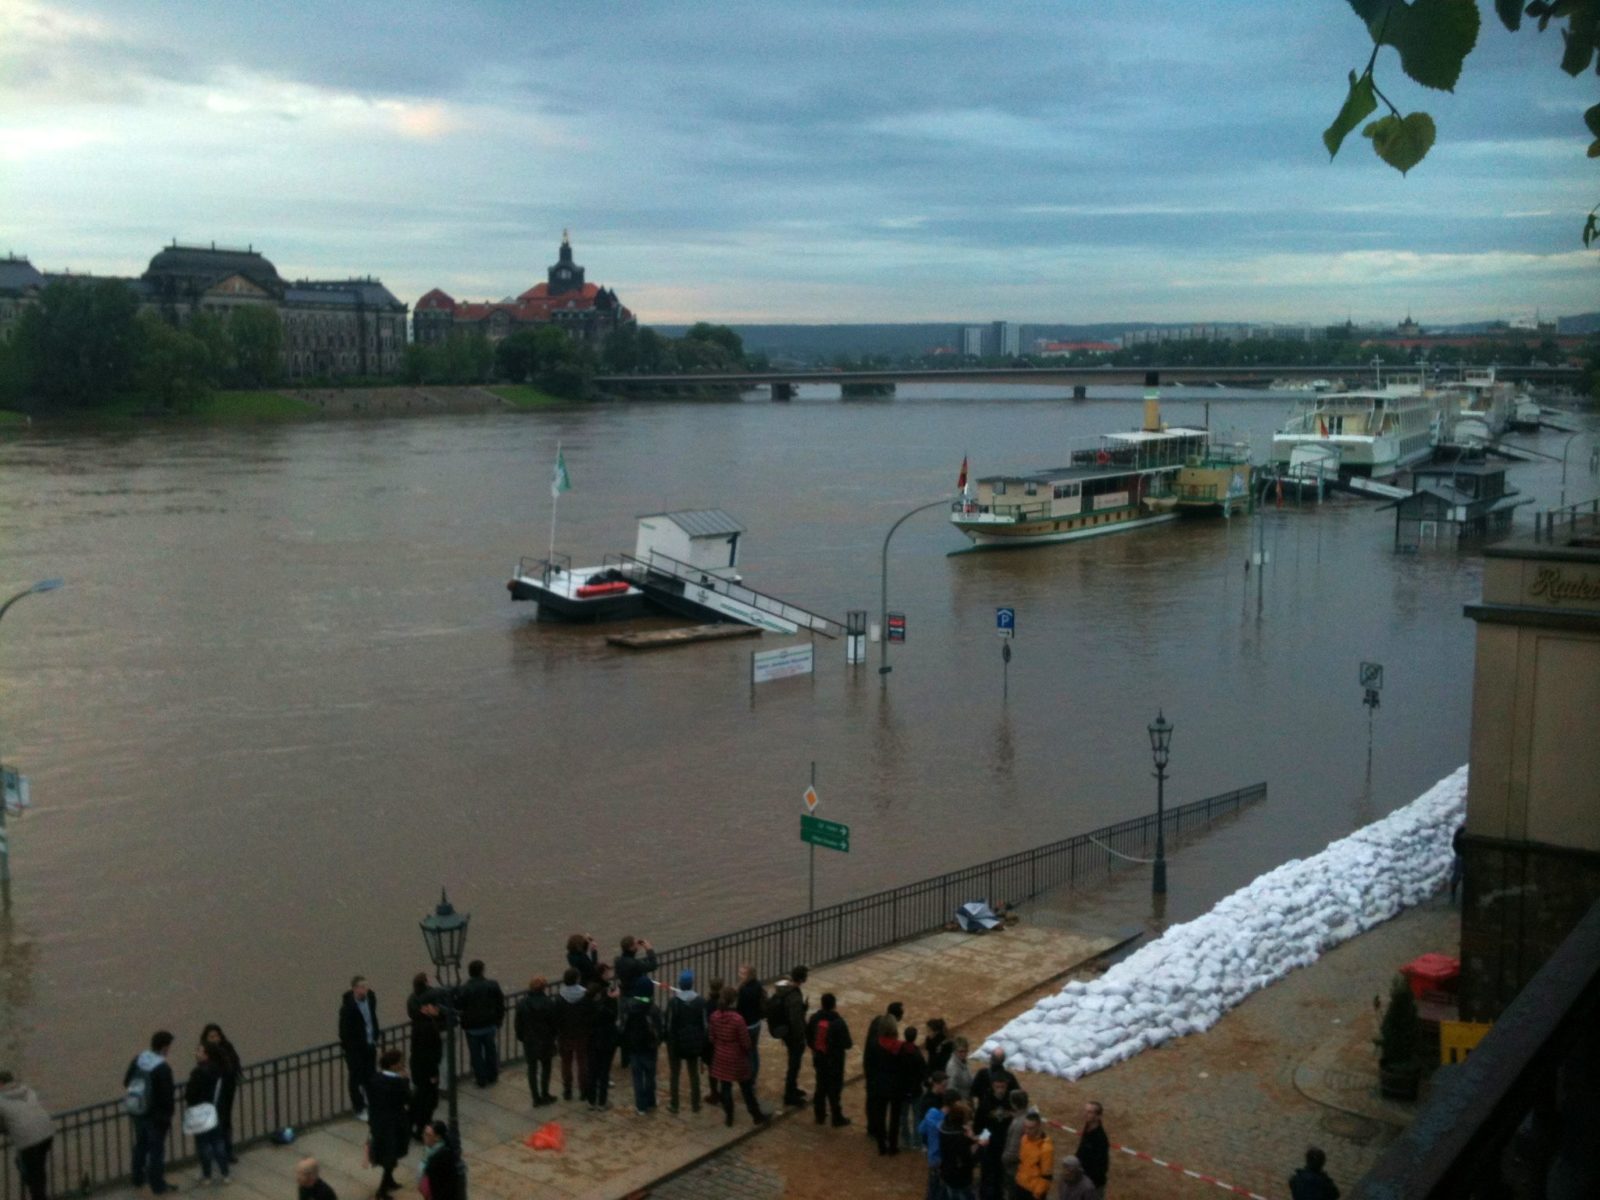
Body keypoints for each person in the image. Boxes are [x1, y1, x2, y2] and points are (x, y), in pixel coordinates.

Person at [124, 1030, 177, 1196]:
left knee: (140, 1146)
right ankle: (158, 1186)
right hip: (156, 1117)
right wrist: (167, 1116)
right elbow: (167, 1096)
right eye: (169, 1047)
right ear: (164, 1047)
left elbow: (126, 1082)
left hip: (138, 1112)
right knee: (156, 1152)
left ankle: (138, 1178)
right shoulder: (162, 1067)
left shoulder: (138, 1059)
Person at [708, 986, 766, 1128]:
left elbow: (711, 1036)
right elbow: (745, 1041)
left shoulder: (714, 1016)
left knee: (725, 1086)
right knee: (746, 1087)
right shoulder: (737, 1019)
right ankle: (756, 1115)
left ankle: (729, 1116)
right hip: (736, 1055)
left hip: (721, 1054)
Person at [0, 1070, 55, 1200]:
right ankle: (40, 1193)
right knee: (39, 1170)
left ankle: (38, 1195)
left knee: (30, 1171)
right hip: (47, 1132)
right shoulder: (28, 1090)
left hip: (28, 1139)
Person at [366, 1049, 411, 1199]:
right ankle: (382, 1190)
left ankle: (389, 1181)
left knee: (388, 1154)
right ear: (393, 1065)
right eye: (400, 1062)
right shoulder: (397, 1082)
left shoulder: (375, 1079)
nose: (403, 1064)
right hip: (393, 1123)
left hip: (379, 1122)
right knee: (390, 1157)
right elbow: (407, 1099)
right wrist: (405, 1080)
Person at [804, 991, 852, 1127]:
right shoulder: (838, 1022)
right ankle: (836, 1117)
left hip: (819, 1058)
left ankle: (819, 1115)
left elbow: (808, 1036)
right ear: (834, 1005)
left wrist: (814, 1048)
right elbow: (848, 1043)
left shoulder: (814, 1019)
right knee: (834, 1089)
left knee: (820, 1086)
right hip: (834, 1061)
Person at [184, 1044, 230, 1185]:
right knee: (218, 1142)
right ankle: (225, 1173)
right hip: (214, 1111)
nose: (196, 1053)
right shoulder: (217, 1070)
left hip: (200, 1112)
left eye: (199, 1050)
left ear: (206, 1054)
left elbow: (190, 1095)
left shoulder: (197, 1072)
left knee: (203, 1144)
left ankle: (207, 1175)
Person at [456, 960, 505, 1088]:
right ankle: (493, 1076)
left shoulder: (464, 989)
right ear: (482, 971)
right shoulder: (492, 985)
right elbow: (500, 1004)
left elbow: (458, 1006)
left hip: (472, 1028)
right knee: (491, 1051)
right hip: (489, 1025)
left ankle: (481, 1079)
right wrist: (499, 1020)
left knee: (476, 1055)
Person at [664, 970, 708, 1114]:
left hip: (676, 1043)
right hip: (693, 1042)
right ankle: (695, 1104)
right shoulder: (700, 1001)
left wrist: (668, 1041)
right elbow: (704, 1024)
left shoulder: (673, 1002)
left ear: (680, 985)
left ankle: (674, 1104)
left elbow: (669, 1025)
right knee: (693, 1074)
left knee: (675, 1074)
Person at [199, 1025, 242, 1164]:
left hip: (227, 1090)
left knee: (225, 1121)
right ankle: (217, 1152)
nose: (214, 1039)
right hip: (212, 1094)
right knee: (214, 1123)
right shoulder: (204, 1052)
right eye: (211, 1036)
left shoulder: (227, 1048)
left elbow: (235, 1064)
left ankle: (227, 1152)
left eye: (216, 1036)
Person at [338, 976, 379, 1119]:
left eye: (366, 987)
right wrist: (351, 1048)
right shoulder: (347, 1008)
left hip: (370, 1045)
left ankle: (371, 1102)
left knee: (370, 1075)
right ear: (354, 988)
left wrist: (374, 1037)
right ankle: (359, 1108)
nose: (364, 990)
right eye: (362, 987)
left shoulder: (371, 999)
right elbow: (343, 1032)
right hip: (355, 1050)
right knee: (355, 1078)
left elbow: (372, 1019)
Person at [513, 976, 558, 1107]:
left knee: (532, 1069)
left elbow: (518, 1024)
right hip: (545, 1040)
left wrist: (522, 1037)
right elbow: (553, 1024)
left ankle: (535, 1098)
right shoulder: (549, 1003)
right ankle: (545, 1093)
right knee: (546, 1068)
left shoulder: (522, 1003)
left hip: (530, 1041)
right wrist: (553, 1037)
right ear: (544, 987)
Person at [769, 964, 809, 1106]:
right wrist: (802, 1036)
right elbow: (795, 1020)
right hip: (793, 1036)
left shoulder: (784, 988)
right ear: (803, 978)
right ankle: (789, 1094)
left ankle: (792, 1089)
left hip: (785, 1031)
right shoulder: (795, 996)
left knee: (793, 1063)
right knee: (794, 1064)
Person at [861, 1001, 905, 1131]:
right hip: (876, 1069)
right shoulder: (887, 1028)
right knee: (876, 1100)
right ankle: (875, 1127)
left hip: (871, 1065)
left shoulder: (878, 1021)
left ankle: (872, 1125)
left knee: (872, 1098)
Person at [582, 963, 620, 1110]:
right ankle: (602, 1102)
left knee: (592, 1070)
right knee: (604, 1071)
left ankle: (591, 1100)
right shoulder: (607, 999)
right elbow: (612, 1016)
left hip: (591, 1039)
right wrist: (612, 999)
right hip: (605, 1039)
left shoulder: (587, 999)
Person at [865, 1015, 905, 1154]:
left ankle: (881, 1146)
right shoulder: (899, 1047)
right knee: (895, 1117)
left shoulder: (874, 1044)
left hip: (879, 1085)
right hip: (895, 1086)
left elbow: (870, 1064)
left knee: (880, 1116)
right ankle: (893, 1146)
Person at [409, 992, 445, 1138]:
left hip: (420, 1070)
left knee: (422, 1099)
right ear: (425, 1007)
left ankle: (418, 1126)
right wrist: (432, 1074)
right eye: (434, 1006)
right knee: (427, 1101)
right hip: (426, 1072)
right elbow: (427, 1054)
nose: (437, 1009)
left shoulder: (421, 1022)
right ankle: (421, 1129)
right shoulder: (427, 1026)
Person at [620, 992, 662, 1114]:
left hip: (635, 1048)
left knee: (637, 1078)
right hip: (650, 1048)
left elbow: (624, 1028)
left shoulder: (629, 1009)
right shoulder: (653, 1009)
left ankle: (640, 1106)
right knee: (650, 1076)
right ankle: (651, 1101)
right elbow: (660, 1029)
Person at [554, 968, 592, 1102]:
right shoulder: (585, 996)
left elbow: (556, 1018)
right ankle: (583, 1090)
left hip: (564, 1035)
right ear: (577, 979)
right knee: (582, 1062)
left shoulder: (559, 998)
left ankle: (567, 1090)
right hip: (581, 1034)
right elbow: (589, 1015)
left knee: (566, 1063)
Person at [938, 1099, 981, 1200]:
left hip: (946, 1172)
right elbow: (969, 1161)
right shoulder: (960, 1138)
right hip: (960, 1179)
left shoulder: (944, 1128)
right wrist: (978, 1147)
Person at [898, 1026, 928, 1149]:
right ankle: (917, 1141)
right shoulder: (917, 1055)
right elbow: (923, 1073)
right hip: (915, 1090)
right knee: (917, 1117)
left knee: (903, 1116)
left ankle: (905, 1140)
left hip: (902, 1090)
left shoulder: (899, 1052)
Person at [917, 1088, 950, 1200]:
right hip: (944, 1158)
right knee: (943, 1190)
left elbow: (921, 1129)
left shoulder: (931, 1113)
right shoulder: (950, 1120)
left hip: (932, 1157)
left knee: (932, 1187)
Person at [735, 965, 765, 1081]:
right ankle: (753, 1076)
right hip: (756, 1023)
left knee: (745, 1053)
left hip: (746, 1025)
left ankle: (747, 1076)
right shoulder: (757, 985)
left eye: (742, 973)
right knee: (753, 1050)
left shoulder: (744, 990)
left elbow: (740, 1008)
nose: (739, 975)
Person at [1015, 1112, 1054, 1200]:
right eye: (1025, 1127)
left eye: (1030, 1128)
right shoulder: (1024, 1139)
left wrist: (1037, 1194)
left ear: (1038, 1126)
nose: (1027, 1131)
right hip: (1020, 1186)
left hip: (1033, 1192)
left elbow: (1046, 1177)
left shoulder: (1046, 1148)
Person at [419, 1121, 462, 1200]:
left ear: (437, 1137)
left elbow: (445, 1185)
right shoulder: (430, 1150)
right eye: (424, 1133)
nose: (424, 1137)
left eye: (428, 1135)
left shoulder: (440, 1156)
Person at [1074, 1101, 1109, 1199]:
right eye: (1085, 1111)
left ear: (1098, 1116)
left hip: (1093, 1185)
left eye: (1089, 1112)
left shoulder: (1101, 1139)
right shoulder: (1088, 1126)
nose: (1085, 1114)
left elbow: (1101, 1167)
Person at [998, 1092, 1031, 1194]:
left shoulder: (1018, 1124)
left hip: (1015, 1169)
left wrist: (1003, 1159)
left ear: (1014, 1104)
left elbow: (1012, 1152)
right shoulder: (1031, 1116)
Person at [613, 935, 657, 1000]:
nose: (637, 945)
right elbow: (653, 965)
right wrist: (649, 949)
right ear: (631, 948)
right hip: (636, 996)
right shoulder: (634, 963)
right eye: (635, 944)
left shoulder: (618, 961)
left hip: (624, 995)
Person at [1449, 825, 1465, 905]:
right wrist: (1459, 853)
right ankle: (1453, 894)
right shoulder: (1461, 831)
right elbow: (1454, 844)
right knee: (1457, 875)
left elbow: (1454, 844)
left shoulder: (1461, 830)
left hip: (1465, 856)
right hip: (1461, 857)